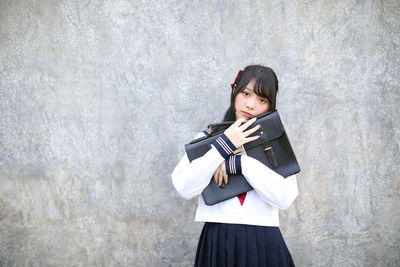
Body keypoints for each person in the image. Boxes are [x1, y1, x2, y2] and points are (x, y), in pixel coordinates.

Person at [171, 65, 298, 267]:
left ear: (270, 106)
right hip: (217, 241)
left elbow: (284, 199)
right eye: (246, 94)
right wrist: (223, 146)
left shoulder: (274, 143)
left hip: (263, 241)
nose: (250, 105)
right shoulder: (207, 139)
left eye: (261, 100)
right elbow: (184, 187)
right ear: (234, 91)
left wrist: (240, 163)